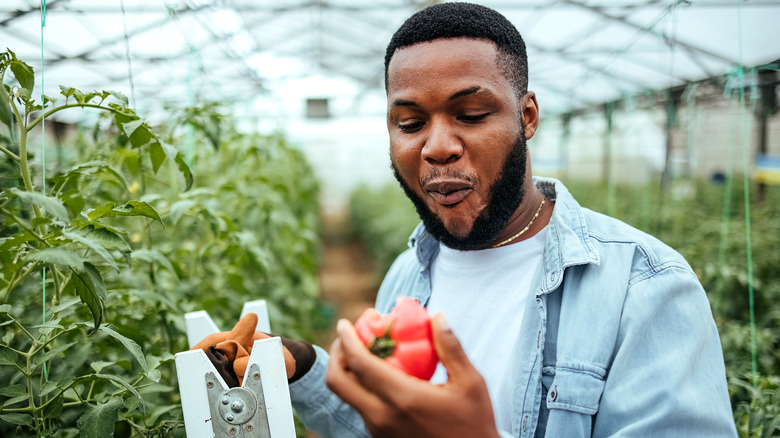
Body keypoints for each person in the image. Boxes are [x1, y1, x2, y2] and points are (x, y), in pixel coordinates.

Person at [280, 3, 737, 437]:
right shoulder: (408, 276)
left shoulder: (642, 288)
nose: (438, 146)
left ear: (528, 116)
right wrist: (302, 368)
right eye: (410, 123)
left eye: (471, 114)